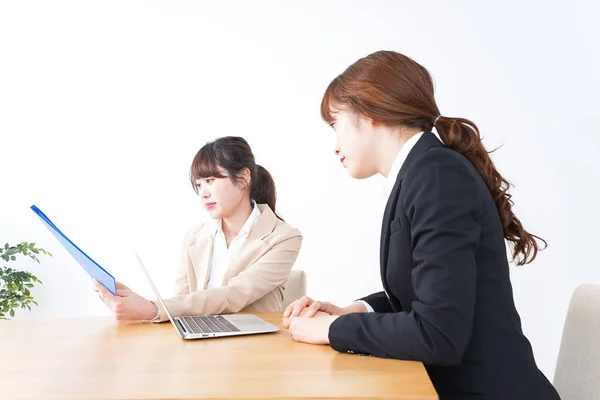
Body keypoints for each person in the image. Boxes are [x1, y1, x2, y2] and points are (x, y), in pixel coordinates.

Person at [282, 51, 560, 399]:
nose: (335, 147)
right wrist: (353, 310)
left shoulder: (437, 176)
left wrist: (333, 328)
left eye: (335, 125)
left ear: (369, 114)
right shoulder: (422, 172)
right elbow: (424, 293)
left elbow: (437, 334)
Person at [94, 136, 303, 322]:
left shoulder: (283, 238)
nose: (203, 193)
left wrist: (153, 309)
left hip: (255, 352)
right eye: (199, 184)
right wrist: (142, 307)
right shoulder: (194, 237)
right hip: (200, 347)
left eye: (210, 180)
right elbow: (181, 301)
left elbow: (234, 294)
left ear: (243, 178)